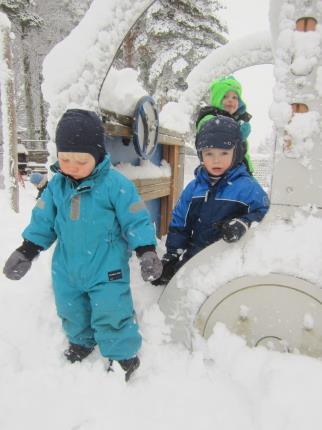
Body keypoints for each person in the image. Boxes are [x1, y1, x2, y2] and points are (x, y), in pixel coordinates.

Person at [3, 109, 162, 382]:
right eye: (65, 159)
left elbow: (135, 219)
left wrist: (146, 250)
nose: (71, 166)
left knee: (112, 309)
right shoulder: (56, 187)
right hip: (66, 268)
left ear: (98, 154)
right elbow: (43, 221)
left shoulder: (116, 185)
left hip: (106, 267)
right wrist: (27, 250)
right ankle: (82, 341)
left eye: (80, 160)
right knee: (69, 308)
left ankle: (123, 354)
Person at [153, 115, 269, 286]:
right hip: (197, 254)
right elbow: (180, 224)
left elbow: (265, 214)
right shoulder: (194, 189)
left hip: (232, 257)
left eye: (224, 153)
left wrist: (245, 222)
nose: (216, 160)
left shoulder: (247, 187)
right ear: (201, 155)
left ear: (236, 152)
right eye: (209, 153)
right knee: (180, 286)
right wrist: (172, 255)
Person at [196, 75, 254, 174]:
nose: (230, 100)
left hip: (238, 172)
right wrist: (238, 135)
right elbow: (217, 136)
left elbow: (244, 153)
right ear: (216, 98)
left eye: (235, 97)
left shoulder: (237, 121)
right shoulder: (209, 117)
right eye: (225, 96)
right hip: (220, 172)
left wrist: (249, 170)